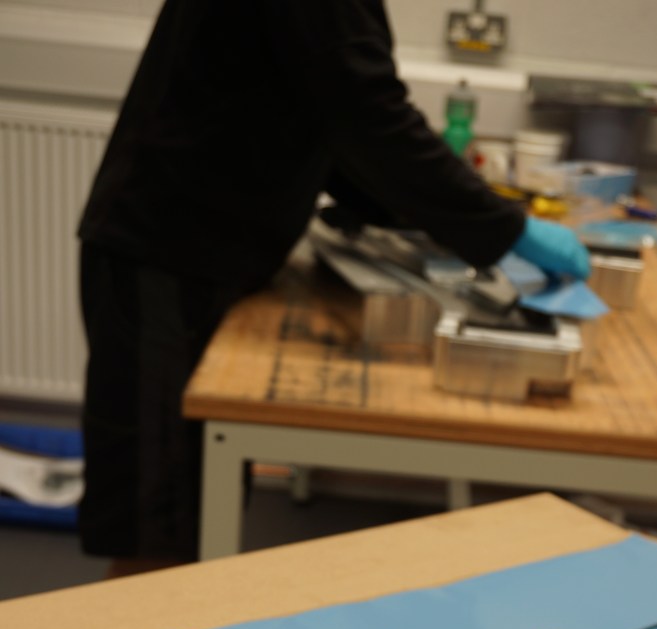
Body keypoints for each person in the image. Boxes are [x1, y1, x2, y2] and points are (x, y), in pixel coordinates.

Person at [78, 0, 589, 571]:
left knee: (192, 505)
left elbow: (329, 118)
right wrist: (502, 227)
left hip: (198, 250)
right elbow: (367, 115)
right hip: (164, 252)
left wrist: (443, 221)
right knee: (159, 522)